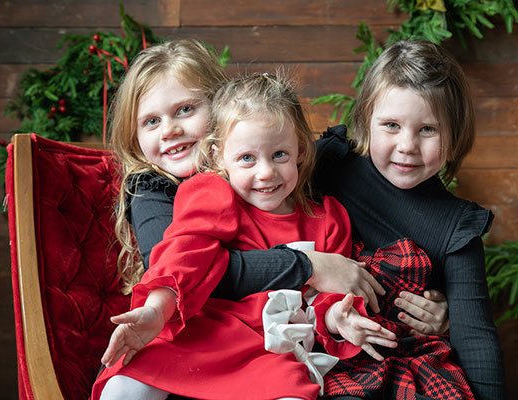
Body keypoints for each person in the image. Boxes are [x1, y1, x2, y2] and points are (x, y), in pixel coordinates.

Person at [93, 72, 401, 400]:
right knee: (125, 385)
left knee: (295, 393)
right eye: (247, 159)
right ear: (217, 157)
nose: (265, 172)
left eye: (279, 155)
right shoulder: (210, 192)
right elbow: (186, 251)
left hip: (266, 352)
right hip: (204, 333)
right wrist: (157, 308)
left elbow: (328, 298)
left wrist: (341, 318)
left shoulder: (327, 217)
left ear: (300, 149)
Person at [309, 40, 506, 399]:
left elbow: (477, 340)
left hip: (404, 368)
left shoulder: (457, 226)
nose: (407, 145)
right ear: (366, 119)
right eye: (391, 125)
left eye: (427, 130)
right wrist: (309, 262)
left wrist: (448, 324)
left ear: (454, 133)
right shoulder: (328, 166)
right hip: (322, 355)